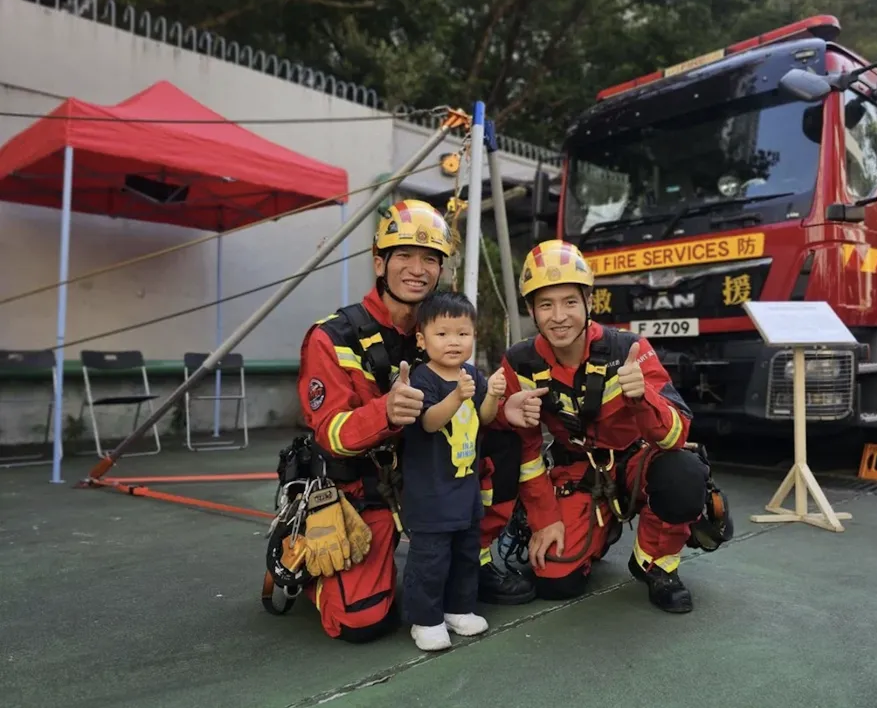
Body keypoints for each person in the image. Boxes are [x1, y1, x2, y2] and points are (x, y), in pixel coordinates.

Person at [285, 199, 537, 643]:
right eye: (404, 255)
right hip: (365, 487)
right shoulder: (333, 337)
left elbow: (470, 410)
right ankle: (309, 566)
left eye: (430, 258)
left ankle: (472, 559)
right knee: (361, 621)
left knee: (504, 443)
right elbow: (331, 434)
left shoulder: (442, 332)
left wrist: (504, 413)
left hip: (430, 474)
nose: (417, 268)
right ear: (379, 262)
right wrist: (383, 412)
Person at [488, 239, 734, 612]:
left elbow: (674, 433)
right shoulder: (520, 363)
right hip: (577, 473)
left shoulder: (629, 350)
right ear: (531, 311)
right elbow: (527, 453)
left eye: (570, 302)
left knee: (683, 473)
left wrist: (642, 398)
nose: (559, 316)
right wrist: (544, 519)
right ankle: (599, 532)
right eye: (546, 304)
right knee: (557, 582)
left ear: (589, 300)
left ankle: (656, 564)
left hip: (639, 465)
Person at [401, 290, 507, 651]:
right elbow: (429, 422)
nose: (453, 342)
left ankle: (459, 610)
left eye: (462, 333)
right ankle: (425, 619)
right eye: (442, 333)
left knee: (466, 552)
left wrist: (491, 393)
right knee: (430, 558)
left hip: (465, 490)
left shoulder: (472, 374)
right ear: (422, 338)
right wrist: (457, 396)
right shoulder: (422, 379)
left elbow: (485, 418)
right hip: (430, 493)